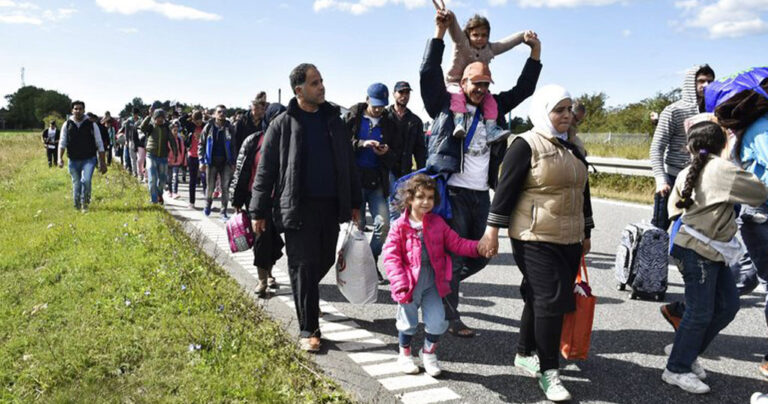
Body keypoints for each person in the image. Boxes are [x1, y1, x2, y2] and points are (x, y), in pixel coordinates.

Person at [423, 8, 542, 338]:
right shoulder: (445, 108)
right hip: (454, 193)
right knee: (455, 256)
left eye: (486, 84)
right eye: (476, 83)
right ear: (463, 82)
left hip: (481, 195)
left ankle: (442, 283)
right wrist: (438, 34)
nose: (481, 88)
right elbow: (428, 73)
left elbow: (524, 90)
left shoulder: (494, 108)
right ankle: (451, 317)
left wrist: (534, 52)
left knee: (481, 255)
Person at [481, 84, 593, 401]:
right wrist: (492, 231)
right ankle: (549, 371)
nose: (567, 116)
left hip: (569, 237)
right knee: (551, 300)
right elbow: (504, 192)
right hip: (533, 236)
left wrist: (587, 231)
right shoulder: (525, 145)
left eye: (570, 109)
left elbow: (582, 192)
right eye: (560, 110)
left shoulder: (573, 147)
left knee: (537, 296)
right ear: (544, 112)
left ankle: (524, 352)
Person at [249, 63, 361, 352]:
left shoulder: (334, 121)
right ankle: (309, 328)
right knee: (303, 265)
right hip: (297, 208)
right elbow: (266, 172)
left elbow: (349, 165)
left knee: (322, 259)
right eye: (314, 83)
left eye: (322, 81)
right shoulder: (282, 124)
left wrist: (356, 203)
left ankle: (306, 292)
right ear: (299, 90)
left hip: (329, 207)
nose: (321, 86)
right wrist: (258, 211)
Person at [662, 121, 768, 394]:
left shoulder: (688, 170)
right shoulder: (723, 170)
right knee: (700, 311)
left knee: (728, 306)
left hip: (699, 247)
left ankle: (684, 349)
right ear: (724, 144)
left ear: (690, 147)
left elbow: (673, 209)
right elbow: (759, 193)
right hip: (700, 250)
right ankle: (677, 368)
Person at [383, 174, 486, 377]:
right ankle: (404, 354)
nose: (426, 202)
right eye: (421, 197)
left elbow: (457, 243)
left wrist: (479, 248)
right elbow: (391, 257)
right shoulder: (400, 226)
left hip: (433, 280)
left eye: (430, 198)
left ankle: (428, 353)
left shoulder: (437, 223)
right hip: (409, 282)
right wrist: (399, 282)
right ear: (410, 199)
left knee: (438, 321)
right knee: (407, 322)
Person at [711, 75, 768, 379]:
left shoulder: (757, 125)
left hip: (757, 212)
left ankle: (690, 309)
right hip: (762, 213)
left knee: (747, 276)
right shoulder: (763, 128)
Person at [440, 7, 531, 144]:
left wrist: (523, 35)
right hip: (455, 82)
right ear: (468, 34)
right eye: (475, 35)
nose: (480, 39)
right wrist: (450, 16)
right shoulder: (462, 43)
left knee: (490, 102)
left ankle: (490, 129)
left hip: (475, 85)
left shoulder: (489, 49)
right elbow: (454, 30)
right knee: (457, 95)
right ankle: (459, 121)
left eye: (484, 35)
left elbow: (506, 43)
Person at [650, 65, 715, 231]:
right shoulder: (673, 110)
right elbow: (657, 147)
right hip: (672, 177)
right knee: (659, 231)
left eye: (709, 81)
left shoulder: (714, 111)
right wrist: (660, 179)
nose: (705, 85)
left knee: (694, 230)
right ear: (690, 83)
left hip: (701, 178)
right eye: (701, 81)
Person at [232, 103, 287, 297]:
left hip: (280, 199)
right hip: (256, 198)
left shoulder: (290, 142)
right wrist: (237, 199)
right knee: (261, 239)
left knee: (273, 239)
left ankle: (270, 271)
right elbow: (241, 170)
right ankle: (263, 279)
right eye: (276, 118)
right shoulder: (254, 140)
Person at [346, 82, 399, 284]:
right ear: (367, 99)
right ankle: (355, 268)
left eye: (382, 106)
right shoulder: (353, 116)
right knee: (357, 228)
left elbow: (395, 154)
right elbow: (342, 144)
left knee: (383, 225)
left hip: (377, 181)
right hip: (355, 180)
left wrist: (386, 152)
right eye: (375, 104)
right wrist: (361, 144)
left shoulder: (389, 122)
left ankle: (370, 260)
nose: (378, 109)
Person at [57, 100, 107, 211]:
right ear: (72, 111)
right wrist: (59, 158)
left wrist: (102, 163)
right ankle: (77, 205)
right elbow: (62, 142)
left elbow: (99, 144)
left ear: (84, 110)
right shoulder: (67, 124)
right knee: (77, 183)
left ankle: (85, 204)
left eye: (80, 109)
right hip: (73, 160)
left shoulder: (91, 125)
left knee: (86, 180)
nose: (78, 111)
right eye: (76, 109)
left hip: (89, 159)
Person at [387, 80, 426, 220]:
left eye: (407, 92)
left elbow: (420, 149)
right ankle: (394, 240)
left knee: (401, 210)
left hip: (405, 171)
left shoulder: (415, 121)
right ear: (394, 94)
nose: (404, 95)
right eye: (401, 92)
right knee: (393, 211)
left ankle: (395, 240)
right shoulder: (385, 116)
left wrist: (422, 172)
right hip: (386, 169)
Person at [199, 105, 236, 219]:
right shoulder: (208, 127)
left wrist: (233, 162)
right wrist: (201, 160)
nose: (222, 114)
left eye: (224, 112)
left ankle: (223, 211)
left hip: (226, 162)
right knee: (210, 187)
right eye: (219, 112)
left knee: (225, 188)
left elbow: (234, 146)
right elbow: (201, 144)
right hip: (211, 162)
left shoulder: (230, 127)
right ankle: (207, 205)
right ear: (214, 113)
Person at [141, 108, 177, 204]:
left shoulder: (166, 128)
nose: (160, 120)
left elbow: (172, 141)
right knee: (153, 179)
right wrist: (149, 116)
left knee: (163, 180)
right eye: (158, 117)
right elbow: (142, 127)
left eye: (162, 118)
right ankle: (154, 200)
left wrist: (175, 154)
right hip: (151, 156)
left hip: (163, 158)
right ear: (154, 118)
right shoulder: (151, 127)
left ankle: (159, 194)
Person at [181, 110, 206, 208]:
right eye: (196, 121)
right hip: (192, 155)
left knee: (205, 180)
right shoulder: (190, 125)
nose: (198, 123)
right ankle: (192, 202)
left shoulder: (205, 126)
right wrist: (189, 114)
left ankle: (207, 202)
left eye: (199, 121)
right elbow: (181, 120)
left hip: (203, 156)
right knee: (192, 180)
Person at [166, 120, 187, 199]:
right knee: (169, 177)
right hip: (168, 161)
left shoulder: (179, 139)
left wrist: (183, 161)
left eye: (177, 130)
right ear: (171, 130)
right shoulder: (167, 140)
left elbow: (182, 150)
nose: (175, 132)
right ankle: (170, 191)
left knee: (175, 176)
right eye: (174, 130)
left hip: (177, 161)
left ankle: (175, 192)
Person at [118, 108, 141, 176]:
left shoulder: (140, 120)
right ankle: (135, 172)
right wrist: (126, 141)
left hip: (139, 141)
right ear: (132, 114)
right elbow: (126, 132)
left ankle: (140, 172)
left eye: (136, 114)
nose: (135, 115)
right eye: (134, 114)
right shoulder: (129, 121)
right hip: (131, 141)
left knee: (139, 158)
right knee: (133, 158)